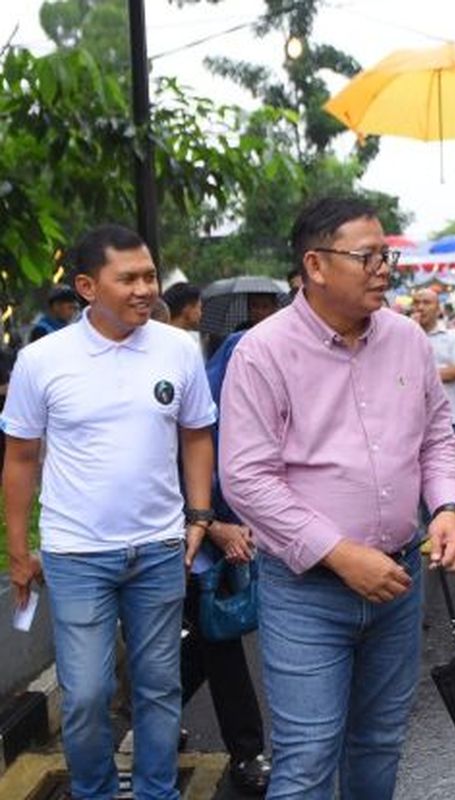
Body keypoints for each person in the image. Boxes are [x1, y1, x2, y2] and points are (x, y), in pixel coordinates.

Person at [218, 196, 455, 798]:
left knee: (379, 744)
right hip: (308, 593)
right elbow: (246, 477)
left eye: (385, 255)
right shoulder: (263, 351)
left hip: (399, 582)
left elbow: (435, 434)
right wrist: (338, 552)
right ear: (316, 265)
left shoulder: (407, 339)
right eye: (367, 256)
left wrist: (447, 507)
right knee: (306, 759)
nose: (383, 268)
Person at [2, 224, 217, 800]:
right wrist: (20, 551)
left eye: (149, 275)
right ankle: (94, 792)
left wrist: (198, 514)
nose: (146, 288)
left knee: (158, 687)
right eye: (129, 279)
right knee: (87, 693)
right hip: (77, 555)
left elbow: (197, 434)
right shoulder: (42, 360)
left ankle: (156, 792)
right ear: (87, 286)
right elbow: (21, 458)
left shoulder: (177, 348)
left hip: (158, 550)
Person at [178, 292, 282, 796]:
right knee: (212, 637)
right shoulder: (241, 353)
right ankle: (244, 751)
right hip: (193, 529)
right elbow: (202, 448)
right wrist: (215, 522)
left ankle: (152, 704)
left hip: (234, 529)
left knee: (211, 637)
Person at [411, 288, 455, 488]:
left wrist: (419, 375)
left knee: (454, 478)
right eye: (417, 302)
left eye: (427, 302)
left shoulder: (453, 335)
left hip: (452, 419)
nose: (421, 307)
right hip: (414, 423)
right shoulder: (406, 335)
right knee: (418, 484)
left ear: (438, 308)